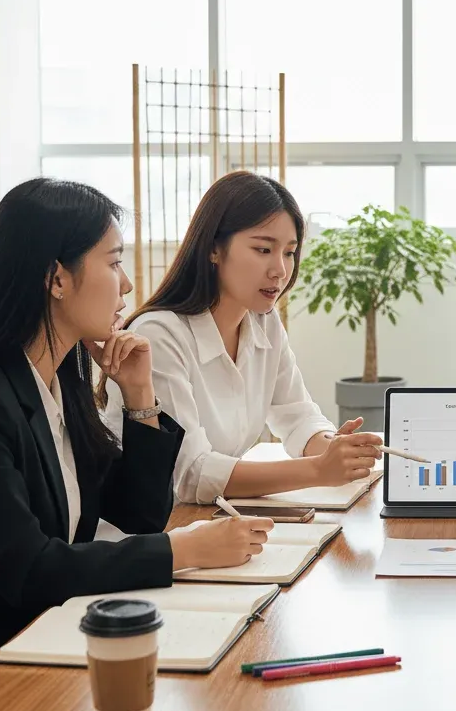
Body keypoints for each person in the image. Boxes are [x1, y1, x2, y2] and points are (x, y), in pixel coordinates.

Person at [0, 179, 274, 675]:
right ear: (56, 278)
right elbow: (29, 569)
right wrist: (182, 550)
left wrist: (139, 398)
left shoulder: (62, 383)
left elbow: (138, 516)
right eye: (112, 262)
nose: (127, 284)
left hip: (56, 642)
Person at [103, 171, 382, 505]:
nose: (280, 269)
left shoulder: (264, 322)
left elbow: (297, 415)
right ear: (213, 249)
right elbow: (189, 474)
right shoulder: (158, 335)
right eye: (263, 249)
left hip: (212, 519)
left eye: (290, 252)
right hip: (156, 531)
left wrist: (336, 449)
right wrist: (319, 470)